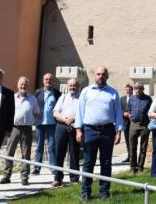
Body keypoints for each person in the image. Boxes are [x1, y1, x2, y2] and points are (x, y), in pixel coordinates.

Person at [74, 66, 124, 201]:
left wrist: (119, 132)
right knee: (88, 162)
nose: (100, 76)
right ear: (94, 76)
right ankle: (86, 193)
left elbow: (118, 112)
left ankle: (104, 192)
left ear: (107, 76)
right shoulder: (86, 91)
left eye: (103, 74)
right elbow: (79, 112)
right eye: (98, 74)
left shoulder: (113, 92)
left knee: (106, 162)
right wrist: (78, 130)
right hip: (90, 130)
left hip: (108, 131)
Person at [0, 76, 40, 186]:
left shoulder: (32, 99)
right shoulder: (12, 98)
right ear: (18, 85)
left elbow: (37, 113)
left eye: (25, 84)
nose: (23, 86)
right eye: (21, 84)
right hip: (14, 128)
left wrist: (31, 120)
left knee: (26, 154)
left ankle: (24, 177)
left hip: (27, 129)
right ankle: (6, 176)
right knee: (9, 152)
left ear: (28, 86)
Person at [51, 78, 81, 187]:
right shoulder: (62, 97)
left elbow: (84, 113)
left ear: (78, 86)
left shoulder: (82, 99)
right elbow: (55, 113)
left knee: (74, 153)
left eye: (74, 85)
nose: (72, 87)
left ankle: (74, 178)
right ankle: (57, 178)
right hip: (61, 127)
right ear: (67, 86)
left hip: (75, 127)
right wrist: (65, 119)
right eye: (70, 85)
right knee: (59, 153)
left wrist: (73, 119)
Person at [33, 73, 62, 175]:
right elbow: (34, 106)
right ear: (43, 80)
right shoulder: (37, 92)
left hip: (52, 123)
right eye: (46, 79)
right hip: (40, 123)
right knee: (39, 146)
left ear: (52, 81)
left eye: (50, 79)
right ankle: (37, 168)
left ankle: (53, 167)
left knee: (52, 146)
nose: (48, 81)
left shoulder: (57, 93)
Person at [126, 82, 153, 174]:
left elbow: (152, 111)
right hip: (133, 124)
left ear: (143, 89)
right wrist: (131, 117)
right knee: (132, 147)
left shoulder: (148, 99)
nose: (138, 90)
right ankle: (133, 168)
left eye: (140, 88)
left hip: (145, 125)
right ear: (134, 89)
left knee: (143, 147)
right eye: (136, 88)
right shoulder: (132, 99)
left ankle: (140, 167)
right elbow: (128, 111)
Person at [121, 84, 133, 163]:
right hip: (125, 122)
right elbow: (119, 109)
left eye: (129, 89)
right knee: (127, 140)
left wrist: (131, 114)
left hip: (132, 122)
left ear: (132, 90)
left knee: (132, 140)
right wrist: (123, 113)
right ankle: (129, 156)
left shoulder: (135, 98)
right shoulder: (122, 99)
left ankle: (133, 156)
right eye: (127, 89)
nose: (128, 91)